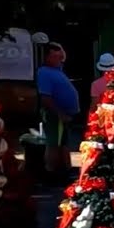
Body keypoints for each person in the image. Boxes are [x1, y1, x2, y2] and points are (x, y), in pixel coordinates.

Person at [36, 43, 80, 182]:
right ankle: (50, 173)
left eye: (59, 56)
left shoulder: (58, 69)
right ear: (47, 57)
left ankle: (67, 170)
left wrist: (60, 47)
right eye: (55, 56)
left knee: (64, 143)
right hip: (55, 115)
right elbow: (46, 98)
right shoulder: (44, 72)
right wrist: (59, 114)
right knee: (54, 144)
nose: (59, 59)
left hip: (65, 115)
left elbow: (64, 57)